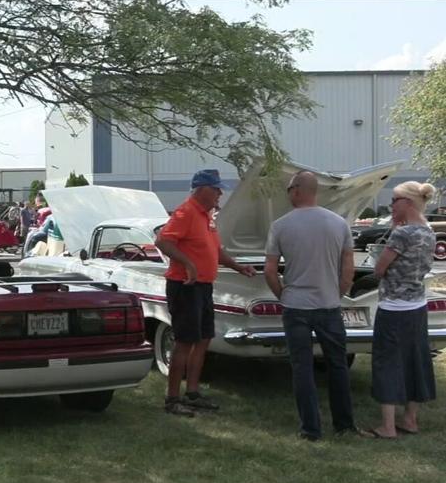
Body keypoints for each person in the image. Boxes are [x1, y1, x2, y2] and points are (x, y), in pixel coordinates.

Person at [264, 170, 363, 441]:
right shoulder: (338, 224)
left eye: (288, 190)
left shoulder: (280, 226)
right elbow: (348, 266)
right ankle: (344, 424)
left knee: (302, 367)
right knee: (338, 365)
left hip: (296, 306)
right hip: (329, 304)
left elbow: (270, 270)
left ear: (296, 190)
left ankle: (310, 429)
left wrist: (282, 295)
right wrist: (339, 291)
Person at [155, 169, 256, 417]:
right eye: (216, 188)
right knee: (184, 342)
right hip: (185, 286)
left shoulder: (207, 216)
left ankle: (192, 392)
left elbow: (216, 251)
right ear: (201, 189)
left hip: (204, 286)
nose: (220, 193)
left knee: (203, 339)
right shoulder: (186, 212)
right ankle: (172, 398)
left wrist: (239, 267)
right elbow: (162, 241)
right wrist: (188, 264)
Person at [366, 181, 438, 439]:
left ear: (406, 202)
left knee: (387, 362)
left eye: (394, 201)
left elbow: (379, 269)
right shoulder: (428, 231)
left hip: (394, 307)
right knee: (414, 360)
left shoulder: (401, 235)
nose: (391, 206)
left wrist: (390, 238)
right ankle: (410, 419)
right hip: (417, 305)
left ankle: (387, 426)